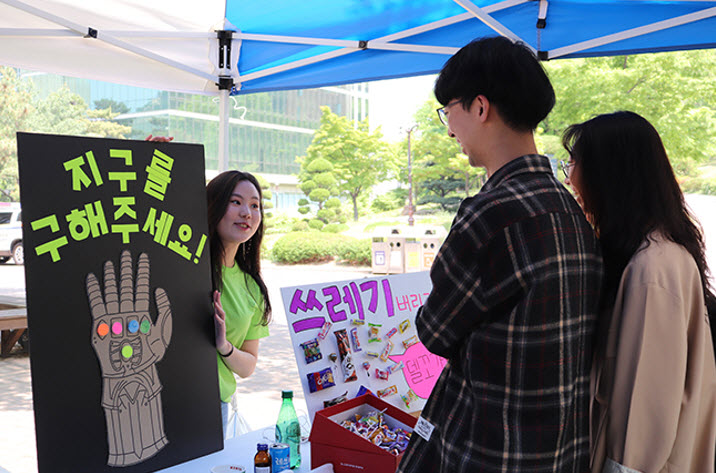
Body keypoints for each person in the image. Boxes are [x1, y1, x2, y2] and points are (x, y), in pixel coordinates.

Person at [396, 36, 604, 473]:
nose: (449, 129)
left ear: (479, 107)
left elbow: (434, 331)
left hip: (487, 451)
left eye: (447, 111)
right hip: (559, 452)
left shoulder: (491, 214)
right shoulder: (570, 209)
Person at [561, 111, 716, 473]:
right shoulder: (651, 253)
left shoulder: (653, 268)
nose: (569, 179)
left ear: (609, 173)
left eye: (573, 163)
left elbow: (647, 410)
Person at [206, 170, 272, 436]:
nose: (247, 212)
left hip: (214, 406)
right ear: (213, 205)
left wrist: (223, 346)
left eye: (255, 205)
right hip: (167, 399)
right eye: (235, 202)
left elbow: (248, 366)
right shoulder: (186, 267)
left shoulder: (252, 287)